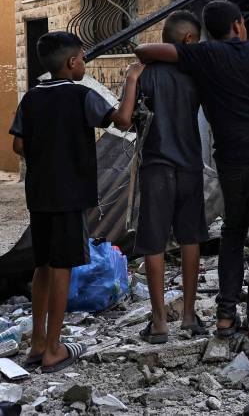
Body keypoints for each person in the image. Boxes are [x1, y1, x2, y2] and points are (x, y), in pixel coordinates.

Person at [135, 0, 249, 343]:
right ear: (237, 25)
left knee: (233, 232)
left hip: (231, 160)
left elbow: (143, 49)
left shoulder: (203, 56)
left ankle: (225, 316)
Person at [10, 32, 142, 373]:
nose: (84, 63)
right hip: (69, 197)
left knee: (42, 266)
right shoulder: (82, 95)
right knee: (63, 268)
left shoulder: (31, 98)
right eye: (83, 58)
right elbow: (124, 121)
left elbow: (19, 147)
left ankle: (37, 344)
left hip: (39, 196)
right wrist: (131, 79)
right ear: (71, 63)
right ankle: (54, 349)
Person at [133, 11, 208, 344]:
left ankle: (160, 321)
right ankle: (189, 316)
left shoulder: (144, 74)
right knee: (191, 238)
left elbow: (128, 118)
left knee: (154, 242)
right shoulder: (196, 74)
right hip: (190, 163)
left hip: (156, 166)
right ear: (189, 40)